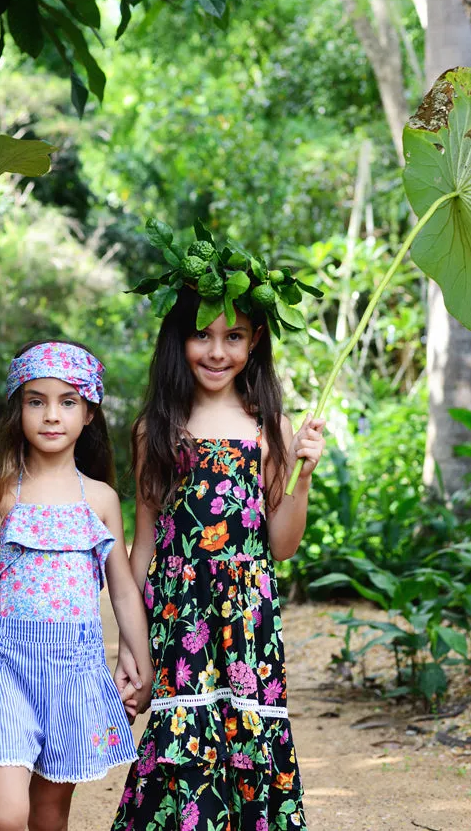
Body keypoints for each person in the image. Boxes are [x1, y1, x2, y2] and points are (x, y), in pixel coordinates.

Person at [112, 243, 326, 831]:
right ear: (178, 339)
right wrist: (132, 644)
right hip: (179, 612)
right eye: (202, 334)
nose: (217, 350)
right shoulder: (155, 427)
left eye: (234, 336)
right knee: (180, 742)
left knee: (248, 738)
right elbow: (145, 538)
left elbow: (279, 545)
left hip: (248, 617)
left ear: (255, 340)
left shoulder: (269, 428)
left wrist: (302, 478)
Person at [0, 339, 152, 831]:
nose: (51, 415)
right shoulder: (1, 487)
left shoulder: (102, 499)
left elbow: (125, 590)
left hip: (75, 675)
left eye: (67, 401)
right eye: (36, 401)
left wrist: (141, 661)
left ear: (88, 413)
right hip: (9, 671)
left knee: (48, 818)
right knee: (6, 816)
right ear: (17, 409)